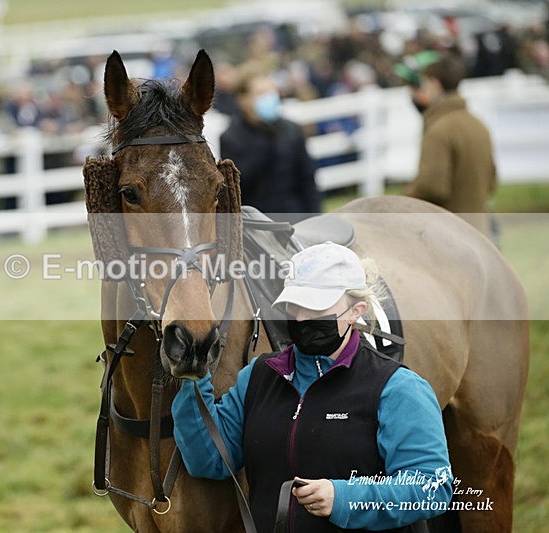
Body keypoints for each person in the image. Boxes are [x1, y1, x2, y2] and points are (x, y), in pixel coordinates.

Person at [172, 242, 453, 531]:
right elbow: (207, 460)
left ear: (356, 311)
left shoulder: (398, 388)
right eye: (295, 305)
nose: (302, 317)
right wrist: (193, 377)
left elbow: (432, 488)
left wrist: (344, 499)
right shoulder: (258, 376)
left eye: (316, 306)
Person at [403, 51, 497, 237]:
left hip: (450, 237)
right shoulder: (478, 125)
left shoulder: (439, 130)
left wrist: (401, 199)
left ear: (435, 84)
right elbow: (492, 181)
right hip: (480, 233)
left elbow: (432, 187)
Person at [220, 69, 321, 224]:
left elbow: (307, 181)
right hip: (256, 225)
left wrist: (315, 220)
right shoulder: (231, 138)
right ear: (243, 100)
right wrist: (262, 144)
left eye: (271, 91)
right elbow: (236, 189)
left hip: (295, 219)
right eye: (261, 93)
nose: (269, 97)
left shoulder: (291, 130)